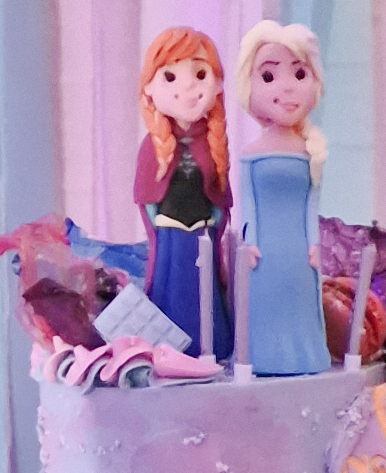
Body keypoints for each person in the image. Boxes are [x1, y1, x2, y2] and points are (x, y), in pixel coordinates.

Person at [231, 21, 332, 378]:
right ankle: (264, 356)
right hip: (264, 252)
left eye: (299, 73)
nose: (287, 87)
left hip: (299, 251)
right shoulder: (251, 153)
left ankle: (304, 355)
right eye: (269, 76)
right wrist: (249, 243)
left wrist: (315, 245)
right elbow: (247, 205)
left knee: (299, 303)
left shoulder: (311, 153)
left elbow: (311, 205)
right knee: (265, 304)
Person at [130, 24, 232, 361]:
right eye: (170, 77)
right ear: (149, 87)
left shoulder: (214, 144)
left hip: (203, 234)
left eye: (200, 74)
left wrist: (214, 221)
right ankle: (168, 350)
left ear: (218, 83)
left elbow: (221, 194)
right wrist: (158, 225)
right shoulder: (152, 146)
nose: (187, 86)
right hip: (170, 237)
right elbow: (145, 196)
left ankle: (211, 347)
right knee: (172, 289)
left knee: (205, 293)